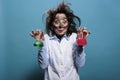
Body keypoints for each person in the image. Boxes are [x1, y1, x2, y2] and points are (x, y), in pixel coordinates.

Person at [30, 2, 90, 80]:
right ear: (52, 24)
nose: (60, 26)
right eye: (56, 22)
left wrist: (80, 43)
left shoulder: (75, 38)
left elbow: (80, 64)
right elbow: (43, 65)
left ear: (68, 24)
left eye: (64, 22)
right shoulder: (46, 39)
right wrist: (40, 44)